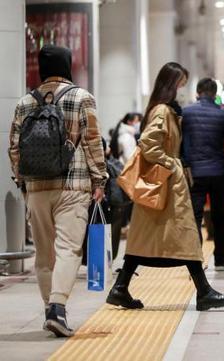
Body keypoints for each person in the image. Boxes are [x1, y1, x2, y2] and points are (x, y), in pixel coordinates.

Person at [106, 63, 224, 311]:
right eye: (180, 85)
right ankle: (204, 292)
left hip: (162, 186)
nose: (182, 91)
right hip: (166, 184)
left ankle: (121, 288)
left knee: (148, 240)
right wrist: (171, 163)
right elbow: (148, 143)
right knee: (185, 235)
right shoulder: (163, 111)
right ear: (170, 84)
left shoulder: (165, 110)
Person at [8, 45, 107, 337]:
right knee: (68, 249)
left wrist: (23, 182)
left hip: (36, 188)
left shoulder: (25, 102)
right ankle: (57, 308)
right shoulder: (81, 97)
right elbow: (92, 142)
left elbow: (14, 148)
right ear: (68, 66)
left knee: (43, 253)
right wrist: (99, 180)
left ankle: (52, 309)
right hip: (72, 186)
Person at [181, 78, 224, 271]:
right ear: (215, 94)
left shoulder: (186, 113)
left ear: (197, 92)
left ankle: (196, 260)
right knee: (220, 216)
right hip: (218, 172)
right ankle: (219, 259)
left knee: (194, 216)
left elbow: (179, 142)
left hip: (194, 173)